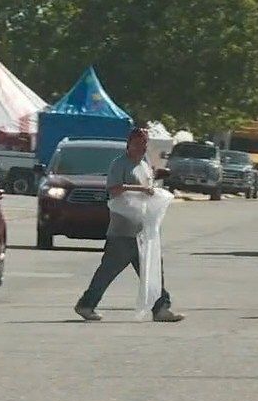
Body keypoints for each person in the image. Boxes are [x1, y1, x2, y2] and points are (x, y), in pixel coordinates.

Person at [74, 127, 184, 323]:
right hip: (123, 231)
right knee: (107, 271)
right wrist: (140, 188)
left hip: (143, 230)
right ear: (129, 143)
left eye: (145, 143)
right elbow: (114, 190)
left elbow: (148, 190)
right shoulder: (119, 164)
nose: (142, 147)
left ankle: (161, 308)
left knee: (152, 269)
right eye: (138, 143)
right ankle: (86, 304)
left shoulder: (145, 164)